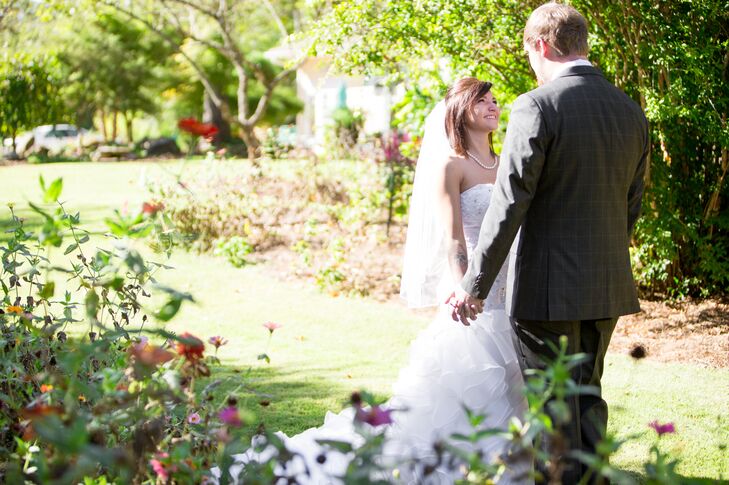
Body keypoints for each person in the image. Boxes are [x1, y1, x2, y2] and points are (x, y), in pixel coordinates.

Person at [215, 78, 532, 484]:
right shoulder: (450, 166)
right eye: (481, 100)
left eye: (493, 99)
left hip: (517, 298)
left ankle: (514, 472)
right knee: (451, 399)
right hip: (477, 300)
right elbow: (453, 238)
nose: (492, 105)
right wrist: (467, 289)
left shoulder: (508, 160)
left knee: (515, 394)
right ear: (459, 111)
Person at [449, 3, 649, 483]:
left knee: (553, 413)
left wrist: (474, 284)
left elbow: (509, 204)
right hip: (606, 285)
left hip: (545, 291)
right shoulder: (629, 109)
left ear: (541, 46)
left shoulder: (536, 106)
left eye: (529, 53)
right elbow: (631, 205)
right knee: (587, 400)